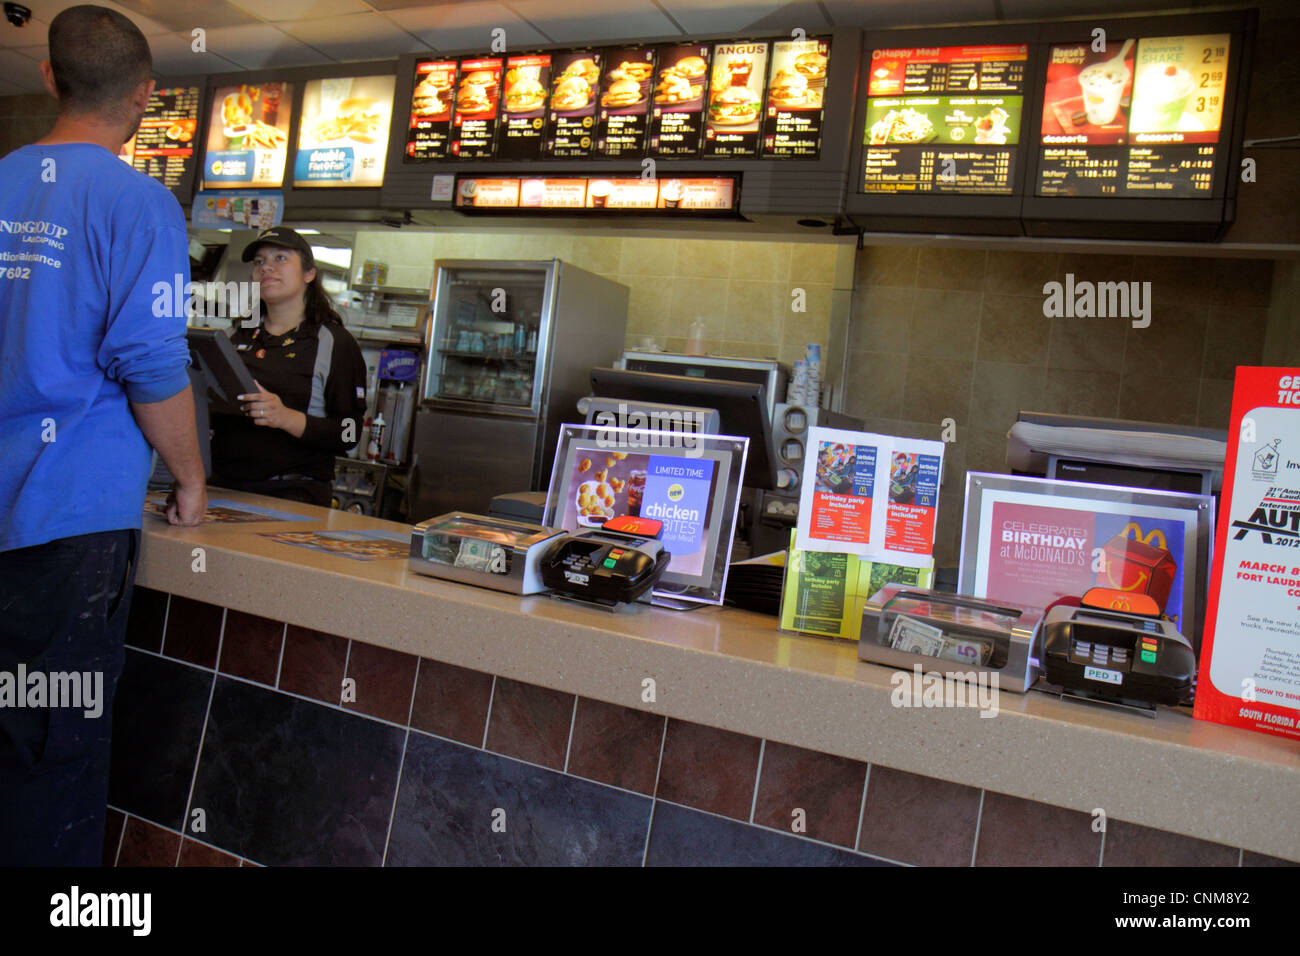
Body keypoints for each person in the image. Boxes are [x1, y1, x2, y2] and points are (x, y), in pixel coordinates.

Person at [0, 5, 207, 867]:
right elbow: (153, 363)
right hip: (67, 530)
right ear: (147, 97)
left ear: (50, 79)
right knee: (53, 753)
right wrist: (189, 477)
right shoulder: (139, 202)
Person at [208, 227, 368, 507]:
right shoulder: (235, 335)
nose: (266, 267)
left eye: (280, 258)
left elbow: (349, 433)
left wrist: (284, 417)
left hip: (292, 495)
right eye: (259, 262)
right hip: (221, 488)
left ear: (309, 274)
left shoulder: (334, 342)